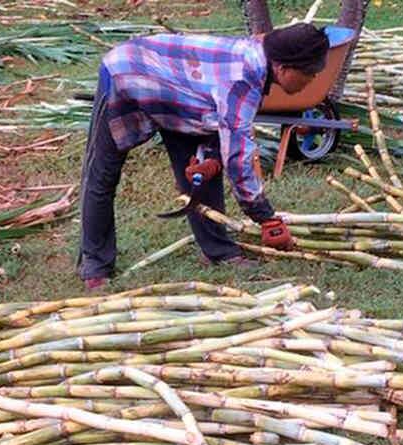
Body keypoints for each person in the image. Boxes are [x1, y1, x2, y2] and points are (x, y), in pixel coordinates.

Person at [76, 23, 331, 291]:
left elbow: (217, 118)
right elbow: (238, 159)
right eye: (310, 74)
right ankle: (95, 265)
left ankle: (218, 251)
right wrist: (265, 217)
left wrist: (209, 155)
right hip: (128, 73)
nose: (312, 81)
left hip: (181, 91)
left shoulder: (260, 59)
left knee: (202, 171)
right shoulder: (244, 80)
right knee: (102, 174)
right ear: (283, 67)